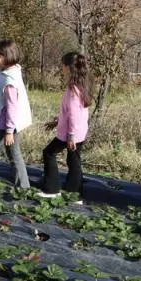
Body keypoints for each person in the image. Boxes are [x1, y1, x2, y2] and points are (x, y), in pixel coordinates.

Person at [40, 52, 92, 202]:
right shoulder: (83, 85)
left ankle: (52, 189)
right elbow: (73, 112)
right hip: (80, 131)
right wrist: (58, 120)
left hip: (71, 133)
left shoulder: (73, 90)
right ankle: (74, 194)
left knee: (49, 153)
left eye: (63, 64)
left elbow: (74, 114)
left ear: (69, 68)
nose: (61, 67)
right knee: (74, 160)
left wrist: (71, 135)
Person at [0, 40, 33, 188]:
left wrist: (8, 131)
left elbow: (12, 107)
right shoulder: (9, 71)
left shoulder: (10, 80)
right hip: (10, 123)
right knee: (14, 154)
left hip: (5, 124)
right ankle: (23, 187)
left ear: (7, 57)